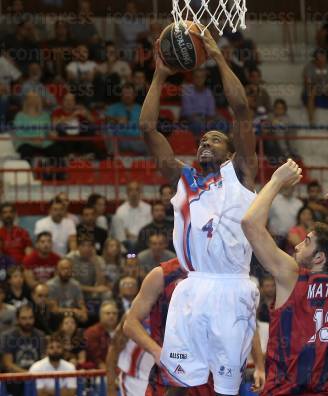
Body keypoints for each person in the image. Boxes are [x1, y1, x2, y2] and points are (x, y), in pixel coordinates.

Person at [139, 27, 259, 395]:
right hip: (191, 287)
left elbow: (240, 109)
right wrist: (160, 75)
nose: (206, 141)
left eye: (216, 139)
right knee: (177, 383)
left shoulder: (240, 173)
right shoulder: (184, 177)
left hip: (231, 287)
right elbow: (147, 127)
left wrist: (219, 57)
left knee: (225, 389)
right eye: (202, 139)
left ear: (230, 151)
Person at [241, 159, 328, 394]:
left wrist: (276, 180)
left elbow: (250, 224)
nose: (297, 245)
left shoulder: (293, 278)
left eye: (306, 242)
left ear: (319, 258)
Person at [123, 258, 265, 395]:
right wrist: (156, 351)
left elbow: (245, 320)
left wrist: (259, 365)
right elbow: (130, 323)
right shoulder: (163, 274)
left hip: (215, 376)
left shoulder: (227, 272)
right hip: (173, 373)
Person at [111, 181, 152, 250]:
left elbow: (149, 228)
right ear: (127, 193)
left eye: (137, 190)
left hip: (143, 241)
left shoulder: (148, 208)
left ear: (140, 192)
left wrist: (137, 237)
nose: (134, 193)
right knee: (115, 219)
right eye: (131, 190)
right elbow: (121, 232)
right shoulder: (120, 210)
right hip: (127, 242)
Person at [46, 258, 88, 324]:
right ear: (57, 270)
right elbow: (54, 310)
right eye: (63, 268)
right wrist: (73, 310)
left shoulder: (76, 284)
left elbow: (81, 304)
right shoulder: (50, 285)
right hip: (57, 318)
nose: (66, 271)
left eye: (68, 268)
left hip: (73, 316)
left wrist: (84, 313)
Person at [84, 300, 119, 369]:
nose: (111, 316)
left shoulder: (123, 331)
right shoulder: (91, 332)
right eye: (108, 313)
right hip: (98, 372)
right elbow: (95, 357)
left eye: (114, 313)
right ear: (100, 315)